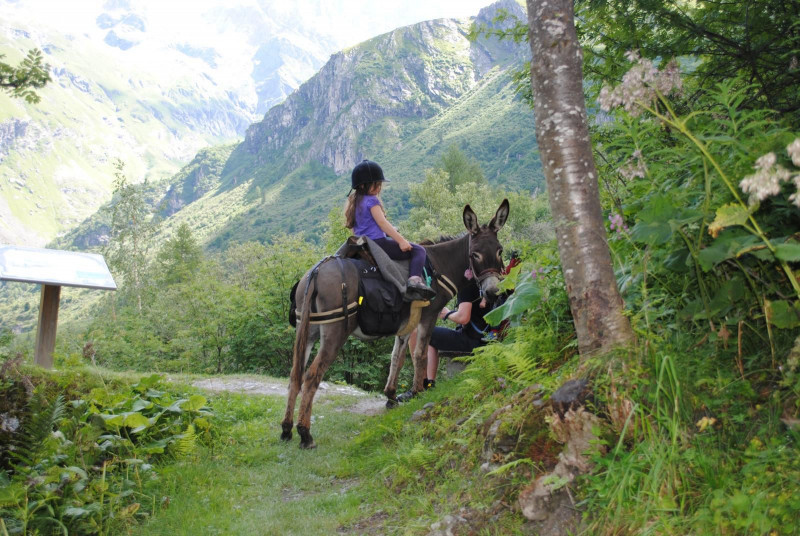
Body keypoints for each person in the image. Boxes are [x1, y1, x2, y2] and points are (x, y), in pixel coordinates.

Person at [407, 251, 521, 391]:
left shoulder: (467, 285)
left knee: (419, 332)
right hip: (489, 337)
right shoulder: (492, 281)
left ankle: (423, 385)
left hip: (474, 341)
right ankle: (429, 383)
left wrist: (446, 313)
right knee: (431, 336)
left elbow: (463, 317)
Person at [344, 159, 434, 299]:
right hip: (378, 243)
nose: (379, 188)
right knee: (419, 250)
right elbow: (382, 223)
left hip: (362, 244)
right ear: (363, 185)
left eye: (380, 185)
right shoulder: (372, 201)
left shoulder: (355, 202)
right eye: (376, 185)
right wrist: (401, 240)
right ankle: (414, 282)